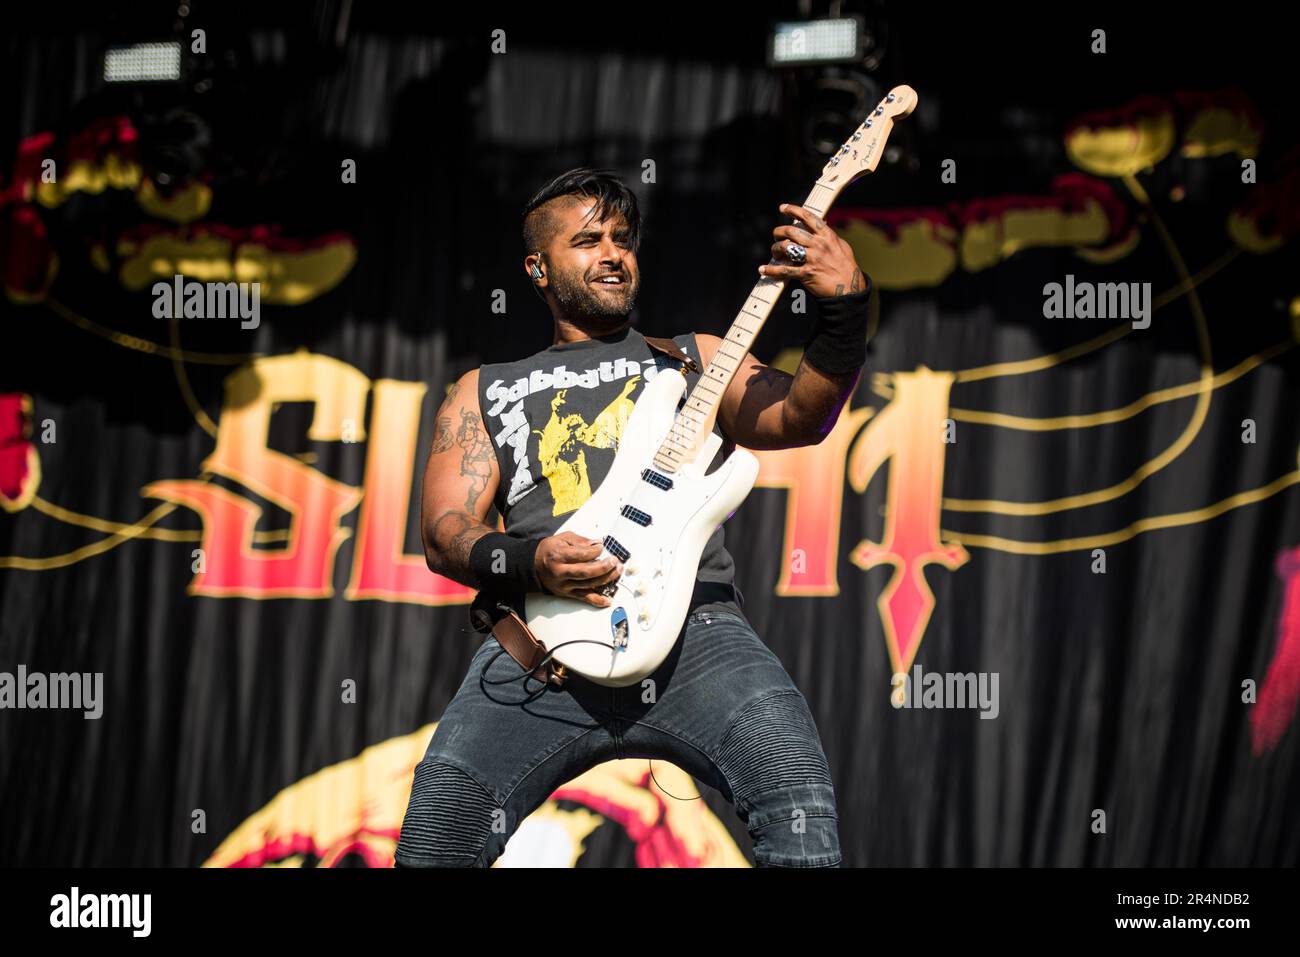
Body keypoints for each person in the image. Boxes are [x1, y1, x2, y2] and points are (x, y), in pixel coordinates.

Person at [395, 167, 872, 867]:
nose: (613, 253)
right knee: (433, 844)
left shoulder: (698, 359)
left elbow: (802, 414)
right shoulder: (484, 388)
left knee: (799, 811)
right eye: (587, 240)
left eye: (623, 238)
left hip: (698, 634)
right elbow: (443, 533)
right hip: (540, 643)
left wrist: (845, 308)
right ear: (537, 266)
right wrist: (534, 562)